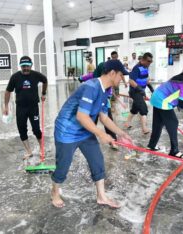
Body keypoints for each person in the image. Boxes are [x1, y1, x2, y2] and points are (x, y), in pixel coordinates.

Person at [51, 59, 132, 208]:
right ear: (112, 73)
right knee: (63, 166)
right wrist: (102, 135)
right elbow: (81, 116)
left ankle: (101, 196)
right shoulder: (91, 87)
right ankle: (55, 192)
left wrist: (120, 133)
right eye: (121, 75)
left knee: (97, 160)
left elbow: (104, 117)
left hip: (85, 131)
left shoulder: (105, 91)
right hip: (67, 131)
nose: (122, 79)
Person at [4, 56, 47, 160]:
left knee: (36, 129)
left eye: (27, 66)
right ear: (21, 66)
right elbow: (8, 91)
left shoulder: (36, 75)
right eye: (23, 66)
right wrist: (5, 106)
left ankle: (42, 149)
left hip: (33, 107)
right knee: (22, 129)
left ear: (31, 65)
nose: (26, 68)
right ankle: (29, 151)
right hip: (20, 108)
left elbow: (45, 80)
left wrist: (43, 93)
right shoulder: (15, 77)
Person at [124, 52, 153, 134]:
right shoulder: (136, 68)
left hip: (140, 92)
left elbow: (146, 80)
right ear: (143, 60)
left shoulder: (146, 67)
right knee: (143, 108)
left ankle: (127, 123)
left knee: (135, 109)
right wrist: (140, 89)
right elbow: (131, 80)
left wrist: (151, 89)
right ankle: (144, 128)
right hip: (135, 92)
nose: (149, 63)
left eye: (151, 62)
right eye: (148, 61)